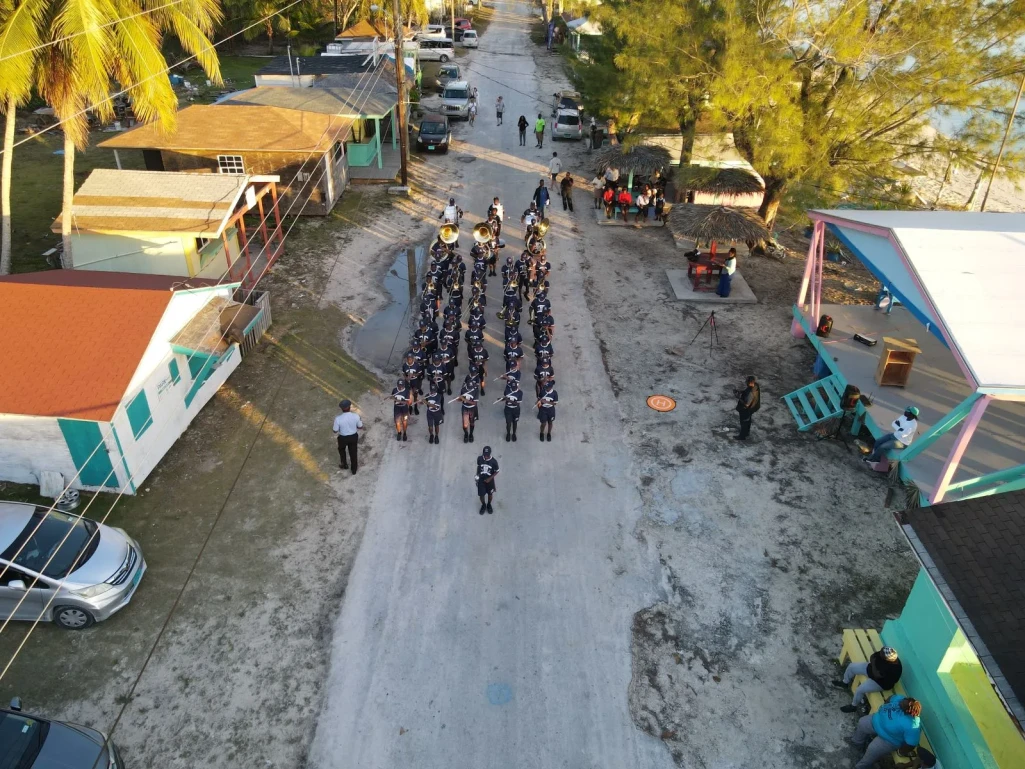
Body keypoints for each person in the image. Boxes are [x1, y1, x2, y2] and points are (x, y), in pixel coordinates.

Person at [851, 695, 923, 769]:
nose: (900, 702)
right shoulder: (901, 699)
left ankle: (860, 766)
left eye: (902, 704)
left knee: (872, 749)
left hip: (889, 739)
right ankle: (857, 743)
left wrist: (901, 752)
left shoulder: (912, 725)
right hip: (877, 720)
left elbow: (911, 744)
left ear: (907, 711)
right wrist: (885, 708)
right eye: (903, 700)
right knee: (862, 722)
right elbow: (890, 698)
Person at [833, 646, 903, 713]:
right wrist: (874, 664)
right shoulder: (885, 653)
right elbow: (872, 656)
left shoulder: (894, 669)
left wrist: (874, 664)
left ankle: (853, 706)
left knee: (860, 690)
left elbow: (877, 675)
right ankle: (845, 683)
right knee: (851, 666)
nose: (880, 653)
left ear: (887, 659)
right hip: (871, 670)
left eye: (881, 655)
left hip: (880, 683)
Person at [332, 399, 363, 474]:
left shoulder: (338, 418)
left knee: (341, 450)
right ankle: (354, 470)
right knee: (353, 452)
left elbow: (335, 430)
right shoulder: (356, 416)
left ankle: (344, 464)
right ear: (349, 407)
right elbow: (360, 426)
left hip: (343, 438)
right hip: (353, 437)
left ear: (342, 408)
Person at [475, 445, 499, 514]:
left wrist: (490, 478)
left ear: (490, 454)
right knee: (481, 495)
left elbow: (497, 471)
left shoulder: (494, 461)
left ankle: (489, 504)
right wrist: (477, 476)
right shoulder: (479, 458)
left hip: (490, 480)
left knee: (490, 494)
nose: (485, 457)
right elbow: (478, 467)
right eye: (484, 455)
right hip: (481, 480)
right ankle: (483, 505)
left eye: (487, 455)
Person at [735, 375, 760, 440]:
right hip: (753, 408)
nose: (746, 383)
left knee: (744, 422)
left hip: (746, 409)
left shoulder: (751, 393)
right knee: (748, 420)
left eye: (747, 382)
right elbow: (747, 391)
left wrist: (738, 397)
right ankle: (747, 432)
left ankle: (742, 436)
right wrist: (741, 392)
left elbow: (746, 404)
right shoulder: (755, 385)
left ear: (750, 382)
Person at [458, 373, 480, 443]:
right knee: (465, 424)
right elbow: (461, 399)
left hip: (473, 408)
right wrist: (459, 399)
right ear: (466, 385)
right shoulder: (463, 389)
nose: (471, 388)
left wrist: (465, 400)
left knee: (472, 423)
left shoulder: (476, 391)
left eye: (471, 386)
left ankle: (471, 434)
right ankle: (466, 434)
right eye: (469, 387)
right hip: (465, 408)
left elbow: (474, 403)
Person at [537, 377, 559, 441]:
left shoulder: (554, 393)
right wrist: (538, 402)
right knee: (543, 423)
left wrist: (546, 402)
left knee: (550, 422)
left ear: (551, 387)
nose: (546, 389)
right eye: (545, 387)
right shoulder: (543, 391)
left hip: (550, 409)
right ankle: (541, 433)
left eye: (547, 388)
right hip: (543, 409)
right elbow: (539, 399)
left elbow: (555, 403)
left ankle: (549, 433)